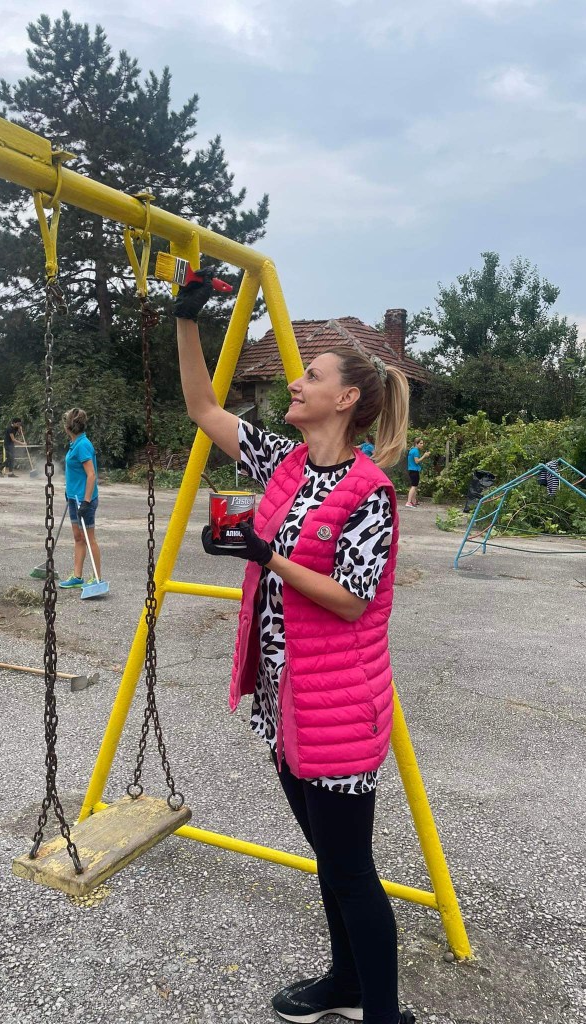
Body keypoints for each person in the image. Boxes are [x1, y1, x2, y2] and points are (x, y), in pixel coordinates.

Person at [173, 272, 415, 1024]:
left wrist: (265, 554)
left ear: (346, 399)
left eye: (311, 375)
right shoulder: (283, 462)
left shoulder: (369, 491)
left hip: (338, 704)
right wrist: (188, 320)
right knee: (332, 862)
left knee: (351, 870)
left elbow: (352, 598)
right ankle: (346, 985)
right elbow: (203, 407)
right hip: (288, 701)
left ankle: (383, 1013)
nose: (295, 382)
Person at [58, 407, 102, 590]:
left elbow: (91, 475)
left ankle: (97, 578)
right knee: (78, 537)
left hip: (84, 500)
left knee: (89, 538)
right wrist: (69, 492)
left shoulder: (82, 445)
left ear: (67, 426)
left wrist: (86, 501)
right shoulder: (75, 443)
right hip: (73, 498)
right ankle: (77, 577)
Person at [405, 438, 430, 508]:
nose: (422, 445)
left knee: (415, 486)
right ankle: (408, 502)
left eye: (422, 443)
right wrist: (424, 456)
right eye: (420, 443)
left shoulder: (412, 450)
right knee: (413, 486)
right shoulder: (416, 451)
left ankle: (414, 501)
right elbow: (417, 461)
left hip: (411, 470)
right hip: (414, 470)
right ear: (416, 444)